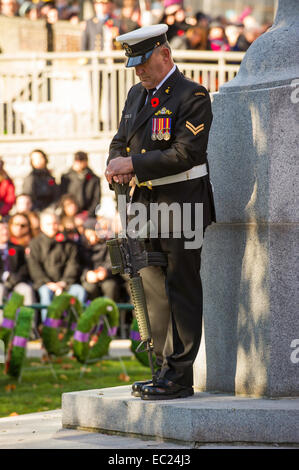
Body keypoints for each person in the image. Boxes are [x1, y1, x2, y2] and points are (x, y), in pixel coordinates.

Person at [105, 24, 216, 400]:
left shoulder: (193, 94)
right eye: (133, 64)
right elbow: (119, 141)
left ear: (165, 55)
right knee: (152, 287)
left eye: (144, 62)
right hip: (144, 206)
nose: (138, 71)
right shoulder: (137, 94)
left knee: (181, 287)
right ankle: (162, 367)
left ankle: (179, 375)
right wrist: (114, 163)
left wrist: (132, 164)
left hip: (182, 202)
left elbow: (186, 153)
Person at [27, 211, 86, 321]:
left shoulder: (69, 244)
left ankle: (74, 328)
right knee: (45, 293)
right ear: (41, 226)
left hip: (66, 284)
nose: (52, 227)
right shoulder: (35, 244)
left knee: (79, 291)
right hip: (45, 284)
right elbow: (34, 268)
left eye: (54, 223)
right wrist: (48, 283)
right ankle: (48, 329)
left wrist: (63, 283)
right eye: (48, 224)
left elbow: (73, 265)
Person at [0, 218, 35, 317]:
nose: (5, 232)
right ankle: (2, 328)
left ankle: (27, 329)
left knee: (27, 290)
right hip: (1, 282)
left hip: (17, 282)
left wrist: (15, 279)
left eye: (6, 229)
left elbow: (24, 268)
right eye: (2, 229)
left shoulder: (17, 248)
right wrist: (5, 276)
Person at [79, 217, 120, 301]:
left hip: (106, 276)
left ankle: (109, 311)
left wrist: (106, 271)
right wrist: (86, 274)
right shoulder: (79, 246)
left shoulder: (108, 244)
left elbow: (112, 261)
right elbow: (78, 264)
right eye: (90, 234)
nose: (93, 237)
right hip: (88, 277)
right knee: (90, 288)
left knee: (110, 287)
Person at [60, 151, 101, 217]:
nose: (79, 163)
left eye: (82, 160)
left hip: (87, 213)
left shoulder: (93, 178)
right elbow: (63, 196)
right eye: (77, 161)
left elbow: (96, 199)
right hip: (69, 213)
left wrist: (89, 213)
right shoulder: (66, 177)